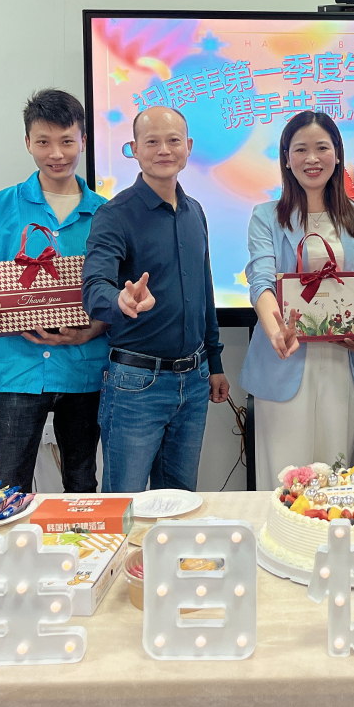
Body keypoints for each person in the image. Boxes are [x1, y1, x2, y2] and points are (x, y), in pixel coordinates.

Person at [0, 90, 109, 494]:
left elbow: (116, 290)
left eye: (67, 141)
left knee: (82, 483)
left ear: (83, 140)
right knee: (5, 485)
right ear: (27, 142)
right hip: (17, 370)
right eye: (43, 142)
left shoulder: (107, 213)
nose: (56, 154)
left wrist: (92, 329)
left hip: (84, 370)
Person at [82, 106, 229, 493]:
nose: (164, 150)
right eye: (151, 142)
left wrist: (214, 363)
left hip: (195, 381)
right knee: (125, 504)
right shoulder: (114, 214)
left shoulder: (195, 212)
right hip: (136, 385)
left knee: (180, 503)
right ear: (134, 149)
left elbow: (205, 293)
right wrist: (121, 301)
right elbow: (94, 287)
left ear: (188, 146)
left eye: (173, 140)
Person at [239, 111, 354, 489]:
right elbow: (261, 281)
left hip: (342, 364)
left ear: (337, 154)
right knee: (285, 480)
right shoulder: (266, 217)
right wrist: (277, 332)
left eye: (322, 148)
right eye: (300, 149)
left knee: (333, 478)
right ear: (286, 158)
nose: (312, 158)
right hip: (284, 360)